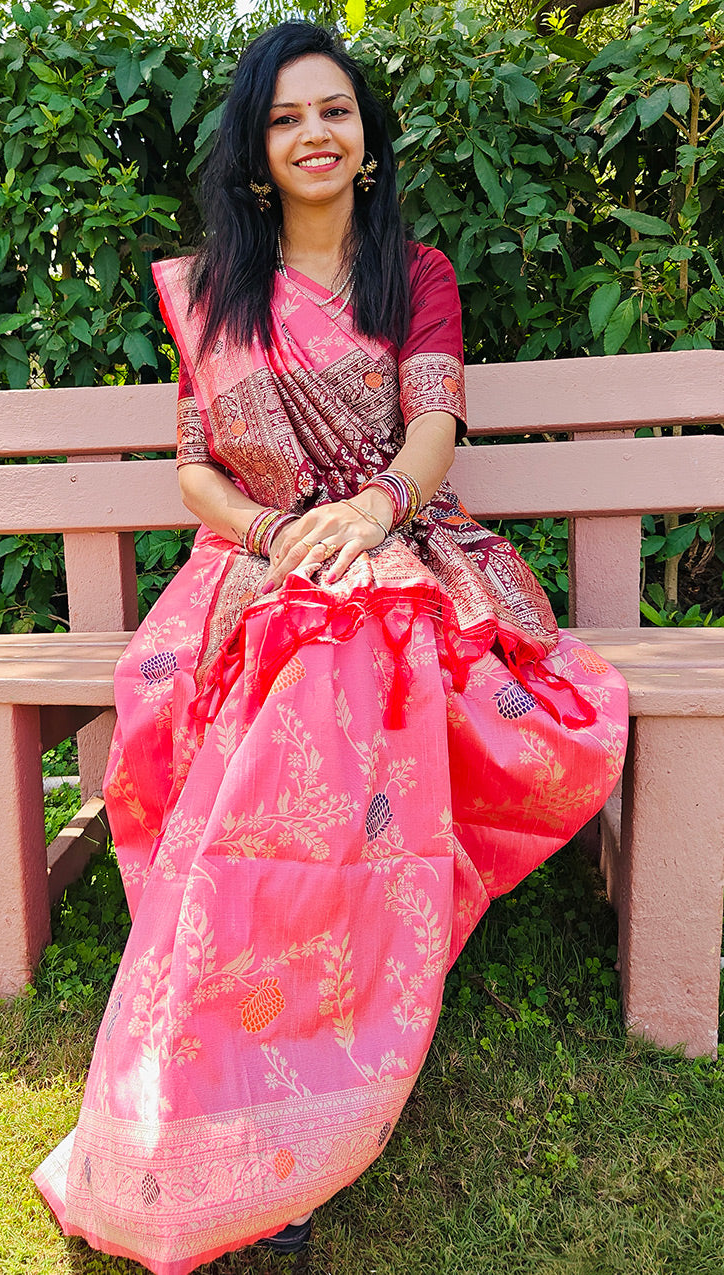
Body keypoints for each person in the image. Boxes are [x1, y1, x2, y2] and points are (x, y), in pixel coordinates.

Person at [33, 20, 628, 1274]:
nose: (315, 134)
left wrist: (366, 517)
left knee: (349, 650)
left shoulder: (409, 271)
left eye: (336, 112)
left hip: (404, 538)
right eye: (287, 118)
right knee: (286, 654)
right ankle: (209, 1087)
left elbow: (430, 427)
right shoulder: (212, 291)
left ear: (366, 141)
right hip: (251, 555)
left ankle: (297, 1077)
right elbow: (195, 467)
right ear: (257, 153)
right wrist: (272, 533)